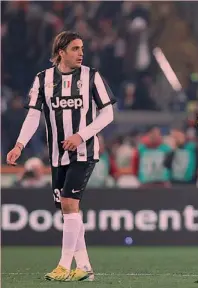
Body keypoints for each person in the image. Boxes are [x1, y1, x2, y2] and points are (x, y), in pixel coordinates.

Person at [6, 31, 117, 281]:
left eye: (82, 48)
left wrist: (81, 135)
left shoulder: (92, 77)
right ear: (61, 52)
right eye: (75, 48)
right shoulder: (43, 79)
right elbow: (34, 115)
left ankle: (64, 266)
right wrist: (19, 145)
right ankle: (85, 267)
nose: (81, 53)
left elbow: (108, 114)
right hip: (57, 156)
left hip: (84, 152)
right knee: (69, 212)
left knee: (69, 204)